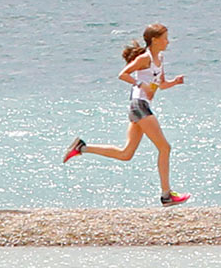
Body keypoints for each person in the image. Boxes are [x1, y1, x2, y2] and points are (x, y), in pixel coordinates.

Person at [62, 23, 188, 205]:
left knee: (126, 153)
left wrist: (174, 82)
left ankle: (81, 147)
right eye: (165, 38)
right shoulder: (144, 58)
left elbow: (160, 84)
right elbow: (123, 74)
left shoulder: (159, 59)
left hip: (142, 106)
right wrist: (141, 84)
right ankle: (166, 195)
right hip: (139, 105)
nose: (168, 41)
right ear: (154, 40)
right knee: (165, 147)